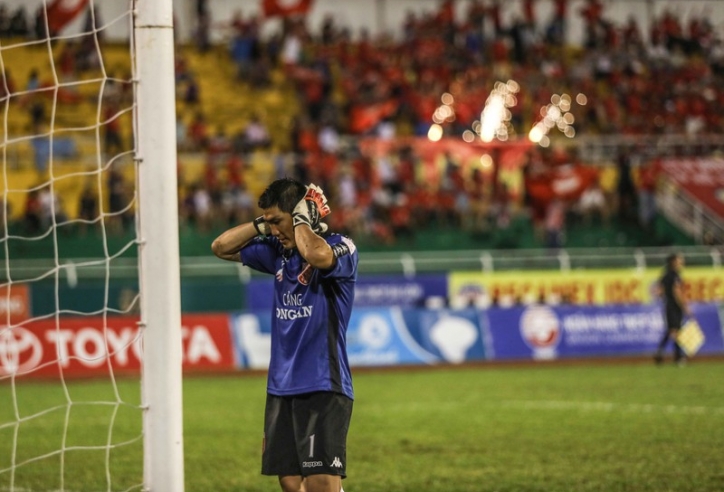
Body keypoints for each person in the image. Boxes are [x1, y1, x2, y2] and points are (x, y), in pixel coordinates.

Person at [211, 178, 356, 492]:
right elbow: (221, 247)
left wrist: (302, 220)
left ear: (302, 213)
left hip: (323, 383)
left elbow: (316, 255)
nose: (273, 229)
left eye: (277, 221)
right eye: (269, 222)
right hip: (281, 384)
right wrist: (261, 225)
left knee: (320, 483)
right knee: (291, 482)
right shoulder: (277, 252)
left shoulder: (340, 247)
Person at [654, 253, 691, 365]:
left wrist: (665, 296)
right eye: (679, 260)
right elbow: (677, 292)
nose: (681, 262)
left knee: (672, 330)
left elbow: (659, 291)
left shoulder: (665, 275)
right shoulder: (675, 276)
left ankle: (661, 354)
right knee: (675, 331)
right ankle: (678, 357)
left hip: (668, 305)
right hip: (674, 306)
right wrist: (684, 306)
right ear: (673, 262)